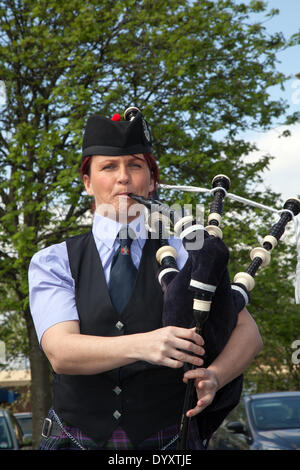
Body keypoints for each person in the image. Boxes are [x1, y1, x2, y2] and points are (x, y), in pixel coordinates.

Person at [28, 109, 263, 451]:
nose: (123, 178)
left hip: (169, 440)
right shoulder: (54, 260)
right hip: (74, 439)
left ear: (151, 181)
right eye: (108, 167)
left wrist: (216, 375)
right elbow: (62, 352)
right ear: (87, 182)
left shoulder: (190, 249)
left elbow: (248, 332)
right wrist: (146, 344)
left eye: (135, 165)